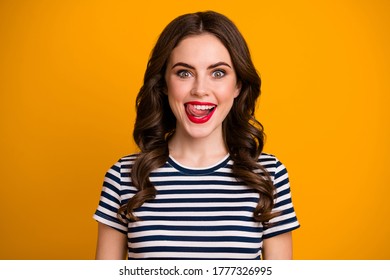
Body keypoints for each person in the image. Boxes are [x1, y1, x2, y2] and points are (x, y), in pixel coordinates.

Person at [93, 10, 300, 260]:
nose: (200, 90)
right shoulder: (123, 177)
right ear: (163, 84)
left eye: (218, 73)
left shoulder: (268, 175)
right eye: (184, 73)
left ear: (238, 86)